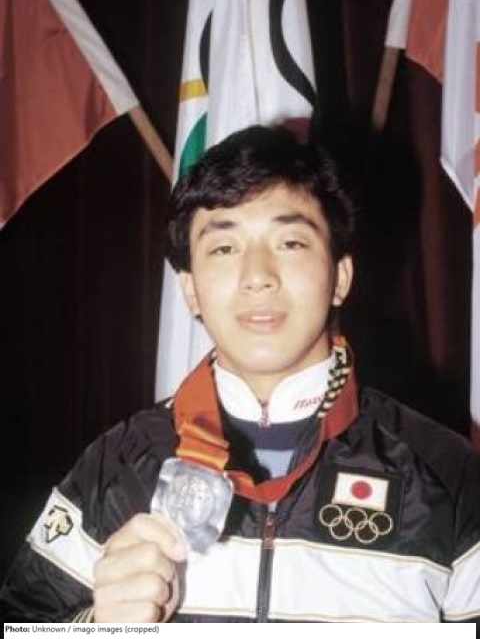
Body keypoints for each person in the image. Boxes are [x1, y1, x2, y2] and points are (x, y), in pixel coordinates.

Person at [1, 126, 479, 623]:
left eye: (290, 242)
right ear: (190, 289)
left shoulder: (449, 475)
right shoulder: (115, 467)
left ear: (340, 277)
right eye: (224, 248)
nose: (257, 277)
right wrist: (99, 628)